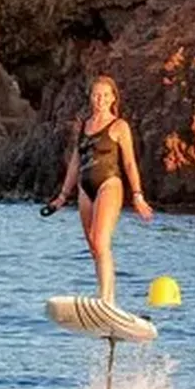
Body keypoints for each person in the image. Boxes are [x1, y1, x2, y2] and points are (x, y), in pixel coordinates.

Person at [48, 75, 153, 304]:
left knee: (100, 240)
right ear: (90, 97)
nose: (100, 99)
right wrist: (62, 196)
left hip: (109, 183)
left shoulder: (119, 126)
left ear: (113, 98)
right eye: (96, 95)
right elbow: (75, 162)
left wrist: (137, 195)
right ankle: (103, 295)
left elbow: (129, 163)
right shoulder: (84, 126)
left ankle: (107, 299)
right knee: (93, 246)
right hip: (85, 188)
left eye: (105, 95)